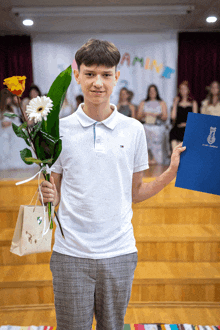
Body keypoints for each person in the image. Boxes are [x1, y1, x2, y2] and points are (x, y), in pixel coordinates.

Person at [39, 39, 186, 330]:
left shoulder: (133, 129)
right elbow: (53, 199)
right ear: (77, 75)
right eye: (90, 73)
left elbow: (136, 193)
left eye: (106, 75)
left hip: (119, 252)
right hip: (71, 254)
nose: (98, 82)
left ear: (117, 77)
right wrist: (45, 193)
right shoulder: (58, 129)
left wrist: (170, 172)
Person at [137, 84, 168, 165]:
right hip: (146, 126)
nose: (152, 93)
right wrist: (145, 114)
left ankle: (156, 159)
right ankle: (146, 158)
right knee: (143, 134)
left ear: (157, 92)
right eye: (150, 91)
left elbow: (165, 117)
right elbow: (138, 116)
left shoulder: (161, 102)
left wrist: (157, 115)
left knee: (156, 136)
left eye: (154, 91)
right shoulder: (143, 102)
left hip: (157, 126)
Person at [169, 81, 198, 152]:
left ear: (188, 90)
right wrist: (175, 103)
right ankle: (175, 157)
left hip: (189, 129)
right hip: (178, 128)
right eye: (181, 89)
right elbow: (173, 117)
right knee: (173, 134)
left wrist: (188, 125)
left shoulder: (193, 103)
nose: (183, 91)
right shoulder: (177, 103)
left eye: (184, 89)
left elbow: (195, 119)